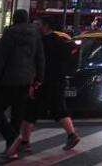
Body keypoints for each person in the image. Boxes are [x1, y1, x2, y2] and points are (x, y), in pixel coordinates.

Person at [0, 9, 45, 160]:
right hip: (27, 79)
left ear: (14, 19)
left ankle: (11, 138)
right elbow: (40, 58)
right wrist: (38, 78)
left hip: (9, 79)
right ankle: (11, 149)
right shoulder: (35, 34)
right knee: (17, 114)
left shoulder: (10, 33)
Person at [17, 16, 80, 151]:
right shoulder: (60, 41)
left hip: (42, 82)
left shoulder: (41, 42)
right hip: (58, 81)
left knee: (30, 111)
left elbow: (36, 63)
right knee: (59, 110)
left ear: (46, 26)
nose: (36, 26)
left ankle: (24, 141)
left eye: (38, 24)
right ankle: (72, 135)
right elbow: (68, 59)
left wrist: (34, 81)